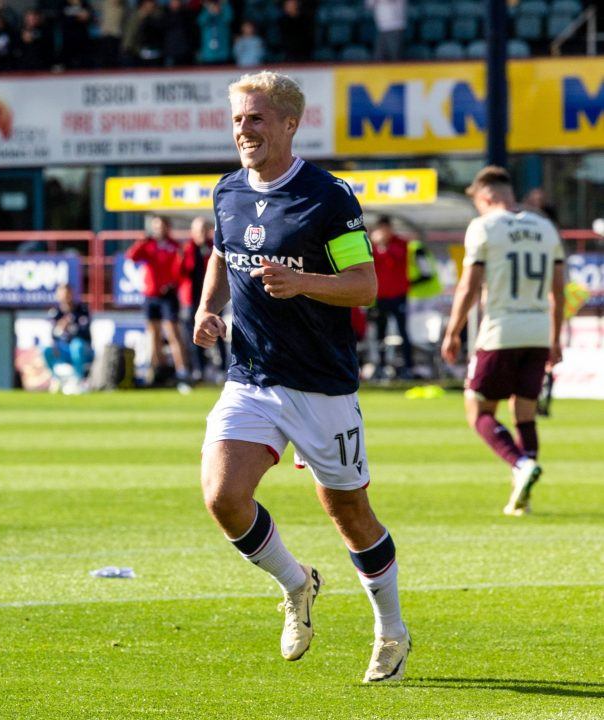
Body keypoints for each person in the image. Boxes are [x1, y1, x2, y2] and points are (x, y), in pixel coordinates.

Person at [192, 71, 409, 683]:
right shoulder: (228, 191)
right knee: (223, 497)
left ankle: (391, 630)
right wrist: (208, 308)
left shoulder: (327, 197)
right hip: (251, 376)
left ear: (290, 124)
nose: (244, 129)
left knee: (349, 512)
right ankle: (296, 584)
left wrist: (303, 282)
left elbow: (365, 286)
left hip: (321, 385)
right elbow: (220, 251)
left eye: (256, 118)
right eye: (238, 119)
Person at [441, 166, 565, 517]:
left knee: (477, 409)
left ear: (487, 197)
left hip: (500, 330)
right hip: (539, 330)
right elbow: (558, 290)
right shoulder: (545, 227)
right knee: (524, 412)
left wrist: (453, 331)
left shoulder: (484, 227)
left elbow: (469, 285)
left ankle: (520, 465)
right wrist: (555, 339)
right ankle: (522, 493)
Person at [126, 215, 189, 385]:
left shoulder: (174, 246)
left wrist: (172, 284)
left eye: (160, 226)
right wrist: (141, 241)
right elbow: (132, 256)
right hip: (150, 295)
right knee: (153, 334)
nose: (157, 229)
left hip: (167, 296)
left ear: (167, 227)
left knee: (173, 333)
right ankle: (158, 370)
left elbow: (181, 270)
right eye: (155, 226)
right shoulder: (149, 244)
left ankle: (182, 371)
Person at [179, 216, 224, 381]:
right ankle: (198, 369)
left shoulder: (214, 248)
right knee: (194, 335)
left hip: (213, 299)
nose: (201, 234)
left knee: (218, 333)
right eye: (198, 231)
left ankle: (221, 368)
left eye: (204, 230)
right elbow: (180, 272)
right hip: (191, 300)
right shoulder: (187, 248)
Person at [369, 216, 413, 379]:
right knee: (380, 333)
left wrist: (382, 245)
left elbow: (396, 258)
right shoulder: (371, 246)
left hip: (399, 296)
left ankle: (407, 367)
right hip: (380, 297)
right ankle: (380, 366)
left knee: (403, 332)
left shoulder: (401, 243)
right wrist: (376, 245)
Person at [43, 283, 93, 391]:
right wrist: (60, 328)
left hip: (83, 350)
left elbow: (84, 331)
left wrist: (70, 326)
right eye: (62, 294)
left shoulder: (81, 310)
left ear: (71, 294)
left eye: (67, 294)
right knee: (46, 349)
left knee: (77, 345)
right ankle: (56, 379)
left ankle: (78, 380)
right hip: (64, 350)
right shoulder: (55, 313)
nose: (65, 298)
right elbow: (54, 334)